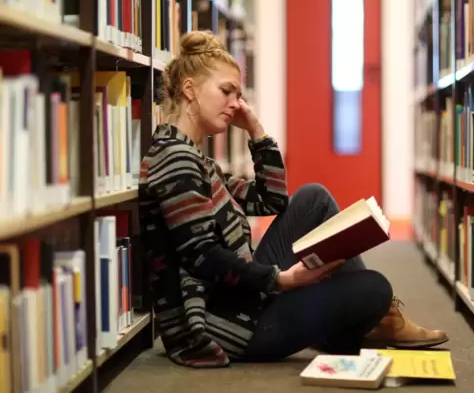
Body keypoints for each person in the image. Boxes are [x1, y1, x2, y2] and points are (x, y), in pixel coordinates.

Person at [139, 30, 449, 368]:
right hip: (224, 325)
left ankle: (372, 322)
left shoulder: (198, 161)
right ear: (189, 90)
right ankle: (371, 322)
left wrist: (257, 131)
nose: (236, 104)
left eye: (239, 95)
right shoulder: (175, 161)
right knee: (374, 288)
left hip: (238, 299)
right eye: (226, 91)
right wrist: (282, 280)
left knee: (313, 198)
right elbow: (202, 257)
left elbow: (272, 202)